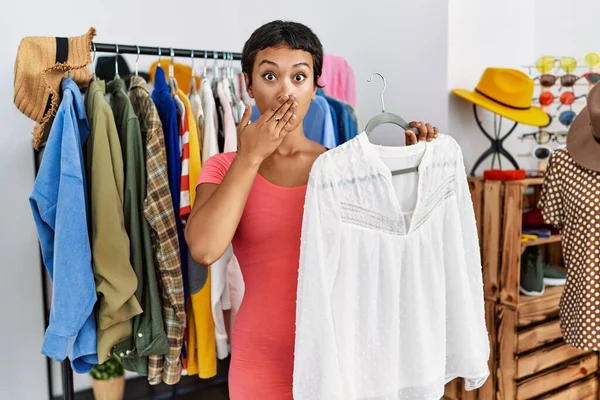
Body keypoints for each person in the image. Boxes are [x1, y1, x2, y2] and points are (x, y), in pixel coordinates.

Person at [185, 20, 440, 399]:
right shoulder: (223, 167)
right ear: (249, 85)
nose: (285, 90)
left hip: (340, 357)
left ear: (316, 87)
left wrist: (410, 166)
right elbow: (204, 249)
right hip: (261, 361)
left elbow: (392, 258)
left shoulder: (344, 169)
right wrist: (250, 157)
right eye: (269, 75)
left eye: (299, 77)